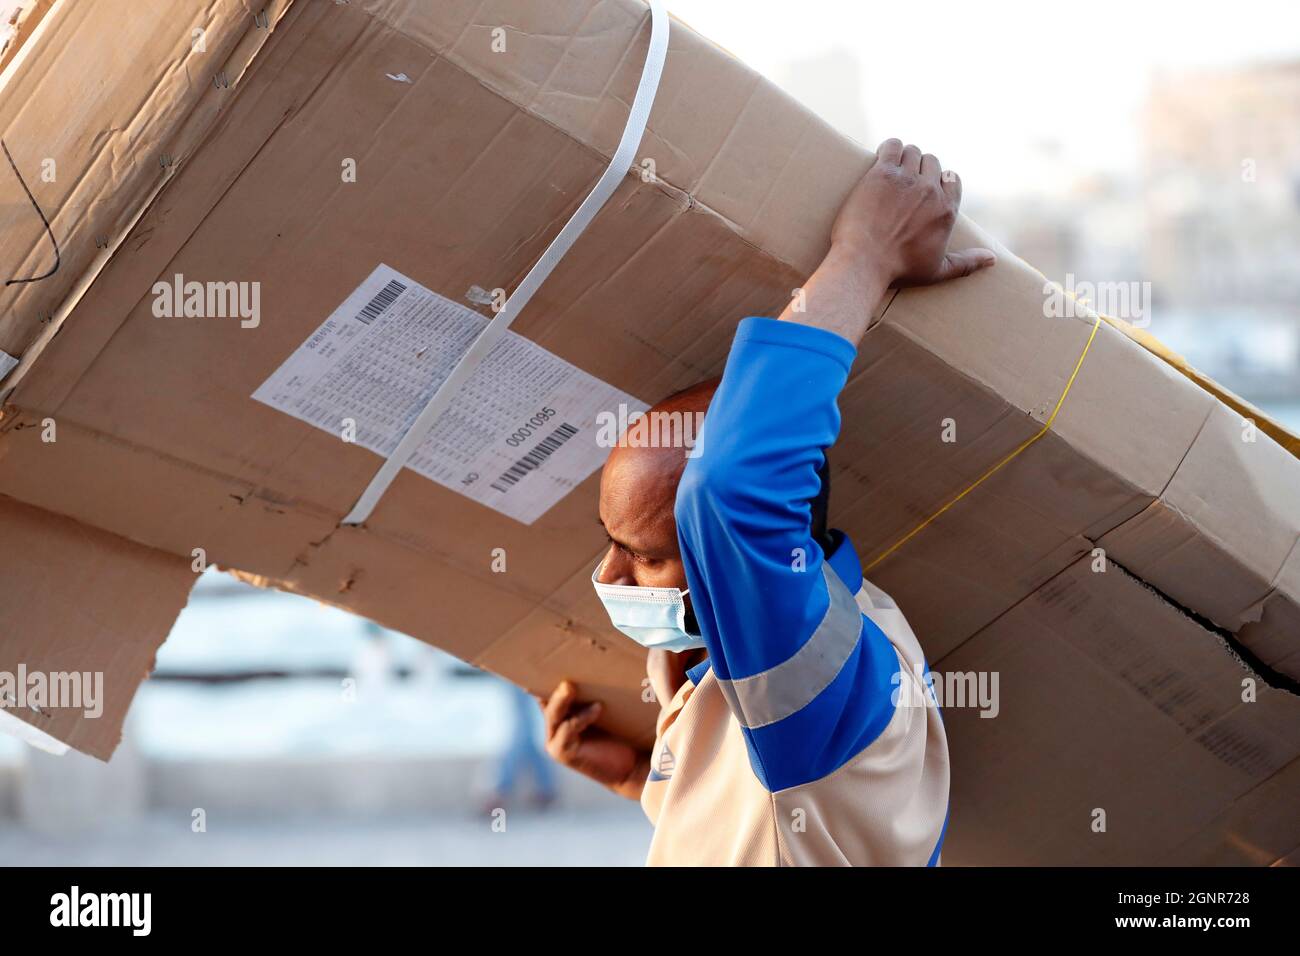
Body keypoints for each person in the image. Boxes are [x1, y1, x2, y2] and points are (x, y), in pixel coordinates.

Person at [540, 139, 996, 866]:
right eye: (612, 542)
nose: (609, 576)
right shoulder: (795, 677)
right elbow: (783, 830)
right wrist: (641, 780)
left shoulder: (823, 678)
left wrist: (867, 256)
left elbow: (734, 489)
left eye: (646, 555)